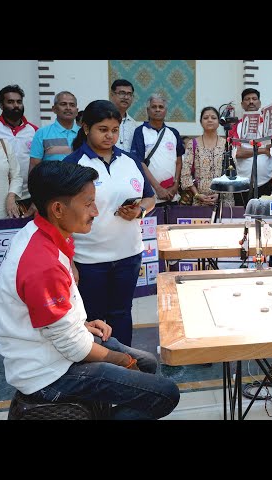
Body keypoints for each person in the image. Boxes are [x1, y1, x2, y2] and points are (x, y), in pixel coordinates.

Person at [0, 161, 179, 420]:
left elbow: (56, 321)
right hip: (48, 373)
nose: (96, 210)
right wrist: (119, 360)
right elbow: (74, 347)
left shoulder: (46, 232)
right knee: (166, 393)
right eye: (88, 203)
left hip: (57, 347)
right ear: (58, 209)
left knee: (146, 363)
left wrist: (81, 324)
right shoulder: (41, 263)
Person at [64, 100, 156, 347]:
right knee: (93, 319)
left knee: (122, 313)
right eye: (102, 129)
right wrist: (69, 261)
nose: (109, 135)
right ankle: (97, 369)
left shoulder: (130, 161)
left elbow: (150, 197)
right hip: (89, 259)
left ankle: (125, 362)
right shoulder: (72, 165)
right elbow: (59, 218)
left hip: (128, 255)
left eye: (114, 130)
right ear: (86, 128)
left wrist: (139, 211)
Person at [130, 93, 185, 205]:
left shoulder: (173, 133)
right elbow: (139, 162)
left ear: (166, 110)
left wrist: (175, 185)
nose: (157, 110)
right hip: (149, 194)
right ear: (148, 110)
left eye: (161, 107)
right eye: (154, 107)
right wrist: (158, 188)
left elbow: (179, 161)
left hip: (171, 194)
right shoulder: (140, 132)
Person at [0, 84, 38, 216]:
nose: (16, 106)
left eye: (19, 102)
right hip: (2, 196)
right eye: (10, 102)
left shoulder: (34, 131)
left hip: (29, 195)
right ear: (1, 106)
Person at [181, 106, 234, 207]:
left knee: (225, 223)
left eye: (213, 118)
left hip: (224, 200)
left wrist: (219, 195)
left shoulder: (227, 144)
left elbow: (232, 174)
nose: (209, 120)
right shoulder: (192, 144)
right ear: (201, 122)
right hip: (199, 200)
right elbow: (185, 174)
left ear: (219, 122)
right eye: (206, 118)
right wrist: (197, 194)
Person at [229, 88, 272, 205]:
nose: (251, 102)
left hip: (267, 182)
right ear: (242, 104)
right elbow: (237, 153)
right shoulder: (236, 127)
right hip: (243, 183)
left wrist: (271, 147)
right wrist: (263, 150)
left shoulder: (268, 125)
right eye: (247, 99)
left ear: (259, 103)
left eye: (254, 99)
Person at [29, 91, 79, 173]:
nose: (68, 108)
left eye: (72, 105)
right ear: (54, 109)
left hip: (80, 184)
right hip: (51, 184)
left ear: (76, 111)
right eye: (63, 104)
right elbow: (34, 165)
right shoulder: (42, 133)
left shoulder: (84, 133)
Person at [110, 79, 137, 152]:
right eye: (122, 93)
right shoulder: (102, 119)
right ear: (112, 95)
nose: (126, 97)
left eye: (129, 94)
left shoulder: (134, 124)